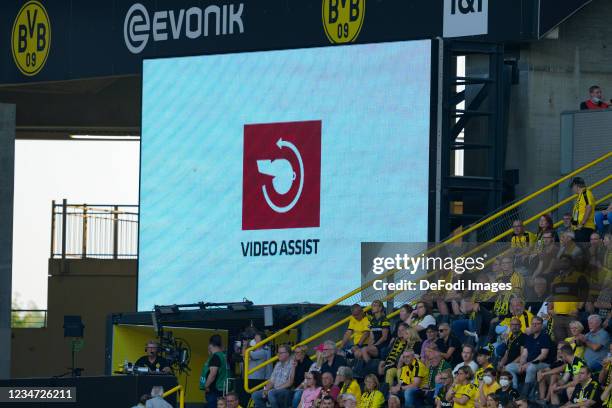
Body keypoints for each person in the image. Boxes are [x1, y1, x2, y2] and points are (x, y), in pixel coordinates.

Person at [506, 316, 551, 398]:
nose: (534, 325)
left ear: (541, 325)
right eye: (533, 323)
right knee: (509, 367)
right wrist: (521, 364)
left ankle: (525, 395)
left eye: (537, 324)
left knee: (531, 367)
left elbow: (543, 355)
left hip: (542, 363)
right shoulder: (529, 337)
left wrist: (528, 363)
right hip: (528, 363)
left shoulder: (545, 337)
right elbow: (524, 354)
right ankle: (515, 389)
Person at [200, 334, 229, 408]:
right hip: (221, 387)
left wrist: (206, 385)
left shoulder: (216, 357)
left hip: (214, 389)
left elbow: (213, 374)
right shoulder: (222, 355)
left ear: (210, 344)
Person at [571, 177, 597, 243]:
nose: (572, 189)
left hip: (585, 228)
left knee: (581, 250)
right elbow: (577, 213)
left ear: (576, 185)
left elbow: (589, 207)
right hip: (579, 228)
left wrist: (582, 223)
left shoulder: (585, 193)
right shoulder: (580, 196)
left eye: (572, 186)